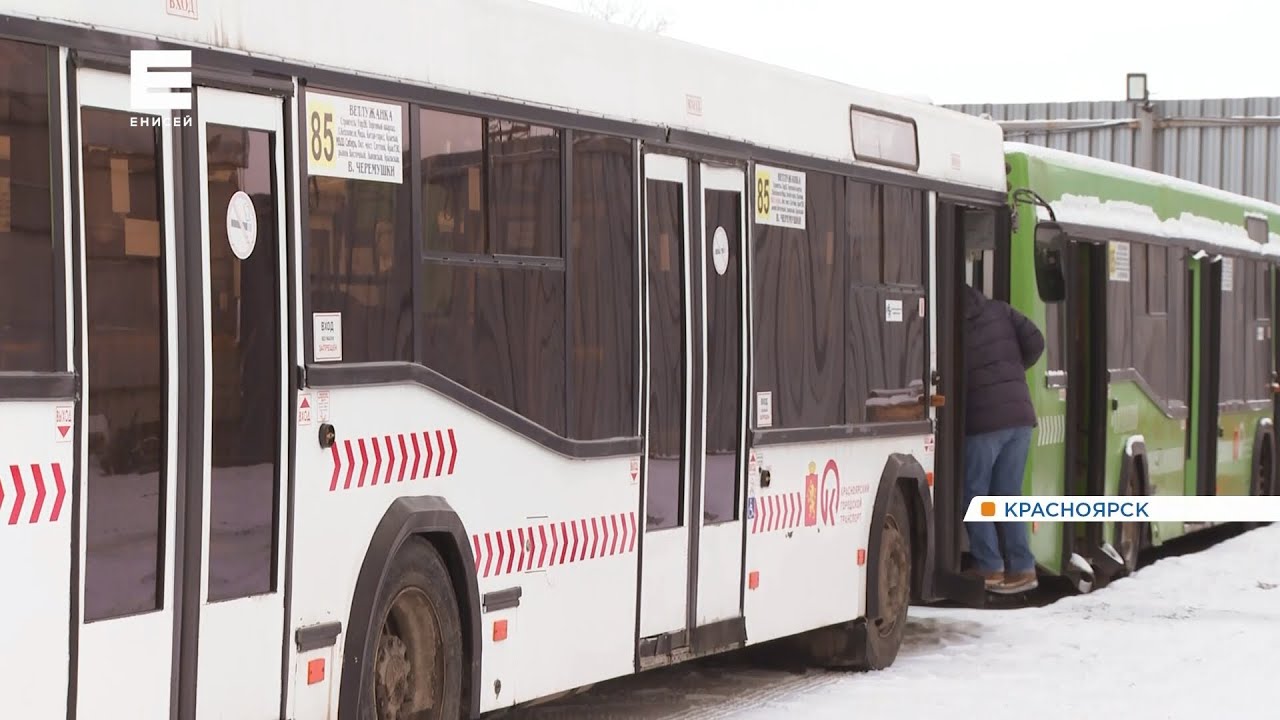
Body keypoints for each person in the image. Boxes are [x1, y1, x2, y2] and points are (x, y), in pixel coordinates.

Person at [962, 284, 1045, 595]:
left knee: (975, 496)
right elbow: (1036, 341)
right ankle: (1022, 568)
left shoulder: (951, 322)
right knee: (1008, 496)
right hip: (1020, 417)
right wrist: (1012, 371)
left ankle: (990, 565)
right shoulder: (1000, 309)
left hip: (984, 421)